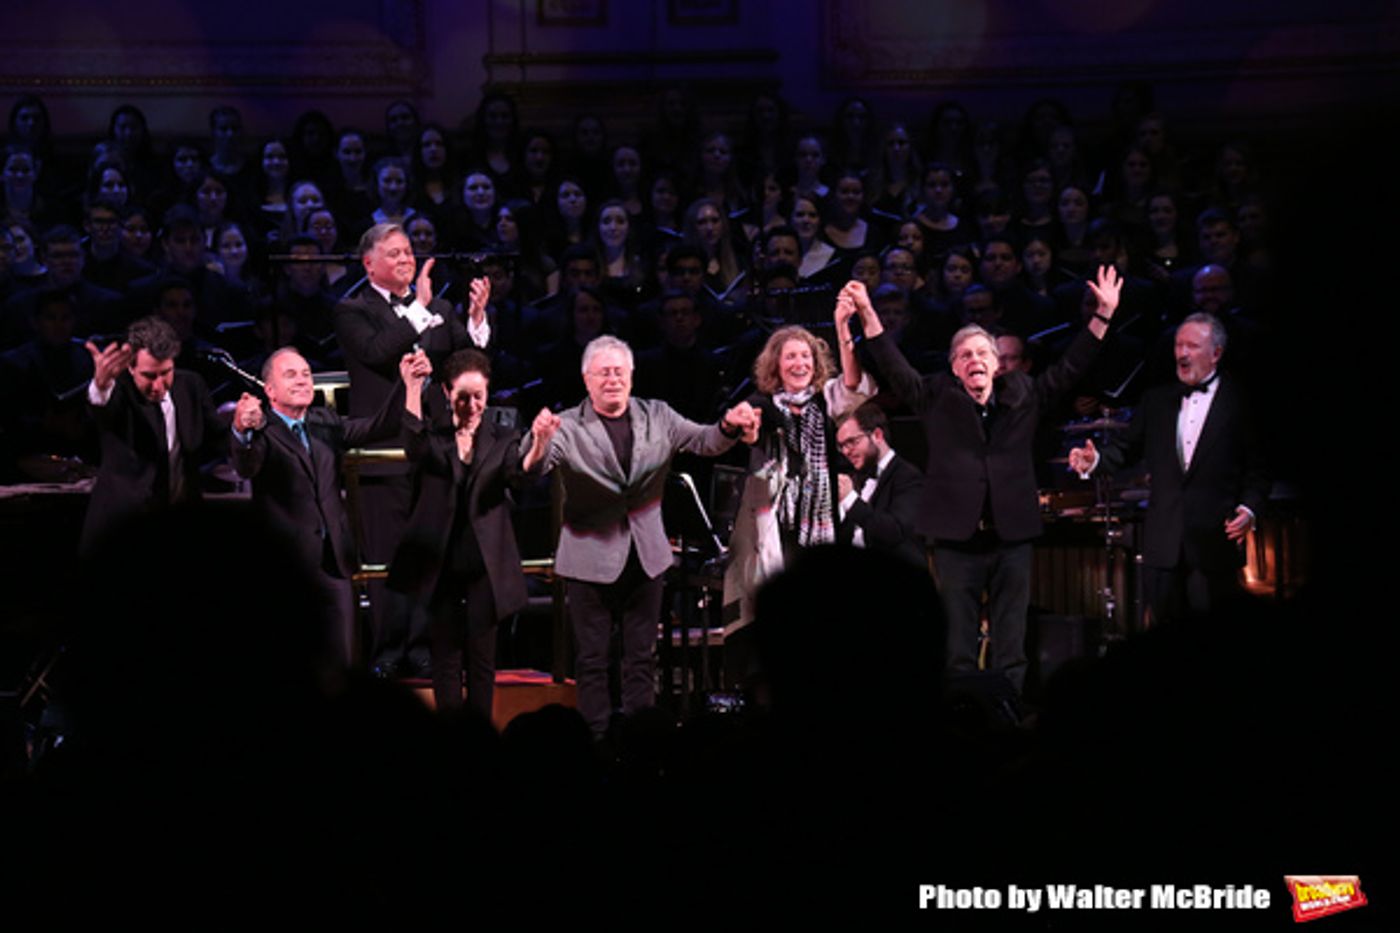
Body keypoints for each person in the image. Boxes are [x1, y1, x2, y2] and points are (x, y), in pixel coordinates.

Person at [844, 266, 1120, 694]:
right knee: (958, 643)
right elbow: (892, 364)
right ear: (954, 368)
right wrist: (866, 312)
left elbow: (1069, 368)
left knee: (1011, 642)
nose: (975, 360)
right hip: (957, 539)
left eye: (982, 354)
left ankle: (1008, 716)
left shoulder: (1025, 393)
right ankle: (963, 721)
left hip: (1012, 537)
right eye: (965, 355)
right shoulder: (935, 397)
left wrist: (1101, 317)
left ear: (997, 365)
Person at [520, 335, 758, 736]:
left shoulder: (658, 416)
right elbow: (533, 468)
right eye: (603, 373)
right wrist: (540, 439)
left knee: (641, 658)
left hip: (646, 557)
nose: (612, 379)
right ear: (586, 379)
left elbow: (705, 441)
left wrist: (728, 425)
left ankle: (641, 738)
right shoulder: (569, 424)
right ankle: (595, 740)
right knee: (592, 660)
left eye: (619, 372)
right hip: (587, 558)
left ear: (631, 376)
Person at [334, 222, 492, 676]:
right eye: (395, 254)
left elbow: (469, 361)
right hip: (383, 453)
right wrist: (419, 309)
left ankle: (425, 648)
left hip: (434, 451)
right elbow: (379, 351)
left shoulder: (441, 307)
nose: (406, 260)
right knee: (388, 557)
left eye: (409, 253)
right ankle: (388, 651)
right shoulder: (351, 310)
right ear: (369, 264)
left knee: (430, 555)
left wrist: (476, 320)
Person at [1068, 312, 1266, 625]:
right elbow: (1125, 449)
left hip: (1214, 543)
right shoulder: (1156, 401)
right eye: (1178, 345)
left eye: (1192, 346)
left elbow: (1258, 467)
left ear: (1216, 353)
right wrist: (1094, 461)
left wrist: (1249, 509)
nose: (1182, 354)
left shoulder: (1240, 401)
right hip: (1163, 544)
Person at [229, 348, 421, 665]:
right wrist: (241, 429)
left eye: (306, 374)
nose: (303, 381)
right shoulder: (261, 428)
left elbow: (378, 427)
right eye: (291, 375)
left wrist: (406, 383)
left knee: (343, 659)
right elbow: (247, 465)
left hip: (334, 562)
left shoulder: (324, 421)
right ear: (270, 390)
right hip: (286, 566)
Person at [387, 348, 530, 717]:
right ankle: (450, 742)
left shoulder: (503, 437)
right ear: (448, 393)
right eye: (462, 396)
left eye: (479, 396)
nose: (471, 405)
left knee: (482, 663)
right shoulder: (435, 435)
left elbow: (519, 475)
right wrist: (413, 388)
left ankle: (480, 739)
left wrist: (541, 441)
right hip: (442, 563)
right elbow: (414, 447)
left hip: (486, 565)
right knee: (446, 660)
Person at [81, 316, 225, 554]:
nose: (158, 385)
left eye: (166, 372)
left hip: (181, 528)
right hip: (122, 533)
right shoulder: (119, 389)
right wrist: (101, 385)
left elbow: (220, 439)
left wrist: (242, 429)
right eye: (149, 375)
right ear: (130, 367)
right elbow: (102, 410)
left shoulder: (191, 385)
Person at [834, 401, 924, 567]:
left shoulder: (908, 477)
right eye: (841, 446)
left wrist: (850, 500)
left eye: (852, 442)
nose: (846, 451)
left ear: (877, 435)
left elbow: (894, 531)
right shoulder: (857, 478)